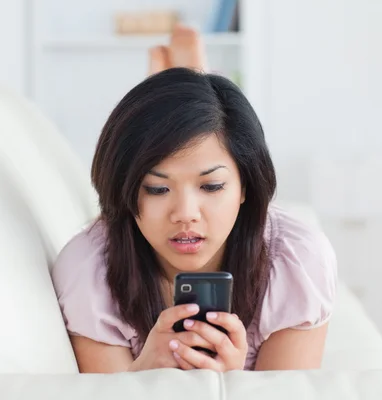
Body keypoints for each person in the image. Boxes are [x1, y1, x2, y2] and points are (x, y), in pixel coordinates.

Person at [51, 24, 337, 373]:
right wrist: (142, 375)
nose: (185, 215)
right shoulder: (89, 270)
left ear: (245, 186)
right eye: (157, 189)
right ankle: (185, 79)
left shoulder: (296, 262)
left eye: (212, 187)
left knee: (209, 128)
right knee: (193, 136)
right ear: (125, 190)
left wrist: (232, 385)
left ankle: (185, 79)